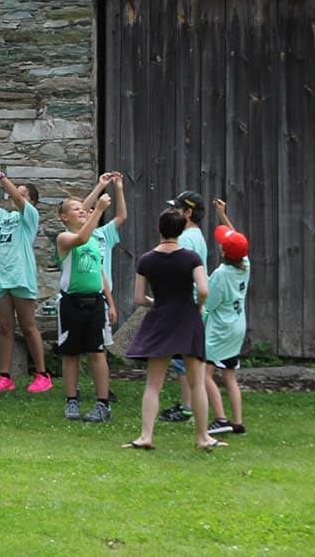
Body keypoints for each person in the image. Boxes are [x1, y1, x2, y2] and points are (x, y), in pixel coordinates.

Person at [122, 209, 224, 450]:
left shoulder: (146, 259)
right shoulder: (191, 258)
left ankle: (146, 436)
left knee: (153, 383)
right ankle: (202, 437)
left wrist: (155, 302)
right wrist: (197, 307)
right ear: (181, 230)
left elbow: (138, 298)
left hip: (160, 320)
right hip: (187, 318)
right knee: (196, 382)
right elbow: (204, 290)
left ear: (159, 229)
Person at [0, 160, 51, 394]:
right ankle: (5, 376)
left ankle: (42, 375)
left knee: (28, 326)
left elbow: (17, 199)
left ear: (32, 201)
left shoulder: (30, 216)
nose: (18, 194)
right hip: (0, 277)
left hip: (20, 277)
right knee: (6, 327)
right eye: (17, 191)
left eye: (24, 193)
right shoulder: (3, 216)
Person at [55, 194, 117, 422]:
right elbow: (80, 239)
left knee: (97, 352)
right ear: (64, 217)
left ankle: (103, 404)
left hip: (95, 302)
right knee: (71, 353)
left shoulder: (93, 241)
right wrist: (98, 209)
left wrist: (110, 301)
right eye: (75, 209)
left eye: (84, 209)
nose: (82, 211)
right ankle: (72, 400)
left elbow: (101, 274)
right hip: (71, 302)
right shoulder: (64, 238)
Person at [158, 190, 208, 422]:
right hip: (192, 305)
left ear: (188, 212)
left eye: (177, 209)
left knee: (183, 361)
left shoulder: (186, 239)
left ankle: (188, 408)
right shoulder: (197, 235)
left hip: (183, 305)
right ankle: (189, 406)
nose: (173, 213)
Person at [203, 198, 251, 435]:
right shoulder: (245, 264)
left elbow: (209, 304)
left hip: (220, 329)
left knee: (205, 374)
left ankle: (221, 419)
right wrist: (223, 214)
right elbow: (235, 237)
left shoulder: (221, 274)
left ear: (223, 252)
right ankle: (238, 421)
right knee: (230, 375)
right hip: (237, 326)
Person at [81, 172, 128, 354]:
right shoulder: (78, 235)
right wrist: (100, 185)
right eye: (88, 212)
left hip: (102, 295)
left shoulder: (103, 234)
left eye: (94, 211)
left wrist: (119, 188)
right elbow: (83, 208)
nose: (90, 213)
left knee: (100, 344)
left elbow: (122, 216)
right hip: (81, 292)